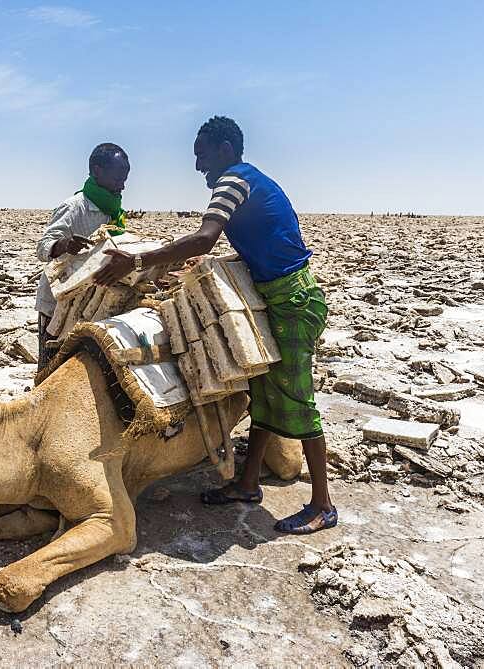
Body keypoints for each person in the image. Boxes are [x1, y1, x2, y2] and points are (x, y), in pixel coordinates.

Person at [93, 116, 334, 534]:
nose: (199, 165)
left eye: (202, 154)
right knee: (263, 392)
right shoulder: (248, 179)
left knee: (296, 398)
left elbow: (205, 237)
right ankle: (247, 482)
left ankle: (322, 505)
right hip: (276, 295)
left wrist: (136, 262)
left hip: (293, 300)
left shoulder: (233, 181)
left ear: (224, 148)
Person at [34, 143, 130, 370]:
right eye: (118, 177)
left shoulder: (114, 212)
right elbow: (42, 247)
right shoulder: (75, 207)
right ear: (97, 171)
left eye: (125, 178)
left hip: (89, 304)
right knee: (52, 367)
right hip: (58, 306)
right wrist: (65, 245)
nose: (123, 184)